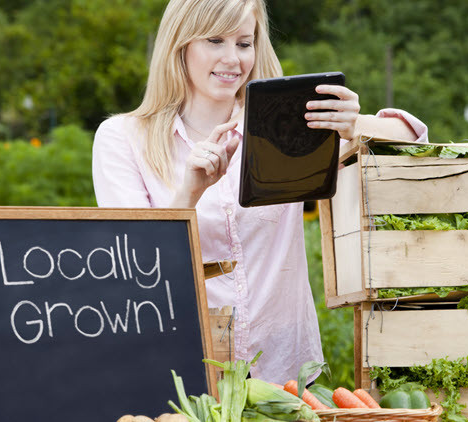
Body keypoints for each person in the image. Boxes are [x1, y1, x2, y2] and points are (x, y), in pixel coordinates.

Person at [92, 0, 427, 383]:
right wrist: (189, 193)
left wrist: (355, 126)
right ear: (179, 44)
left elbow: (413, 141)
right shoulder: (123, 139)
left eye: (244, 42)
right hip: (186, 369)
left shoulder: (286, 127)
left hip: (286, 371)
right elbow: (134, 263)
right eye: (215, 40)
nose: (232, 59)